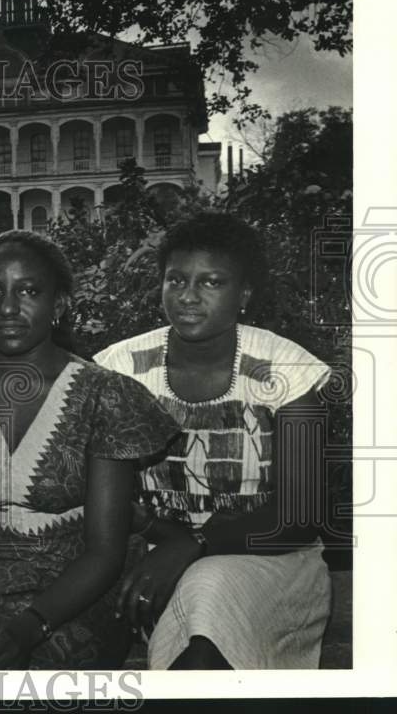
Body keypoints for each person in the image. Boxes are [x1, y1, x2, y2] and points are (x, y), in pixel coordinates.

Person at [0, 230, 182, 670]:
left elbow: (103, 552)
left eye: (29, 291)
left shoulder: (103, 395)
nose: (7, 308)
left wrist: (27, 628)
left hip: (75, 589)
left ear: (58, 305)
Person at [94, 211, 333, 670]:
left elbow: (301, 515)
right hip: (150, 557)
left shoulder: (286, 370)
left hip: (272, 560)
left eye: (211, 282)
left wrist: (195, 543)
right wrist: (166, 542)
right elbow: (106, 498)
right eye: (176, 280)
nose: (187, 296)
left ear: (243, 295)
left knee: (209, 594)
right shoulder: (120, 369)